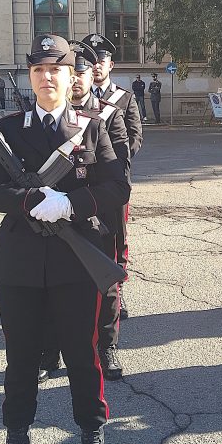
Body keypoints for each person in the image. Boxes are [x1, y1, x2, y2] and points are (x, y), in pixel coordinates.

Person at [0, 34, 129, 444]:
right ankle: (16, 439)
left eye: (56, 69)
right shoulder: (10, 129)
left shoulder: (93, 127)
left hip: (75, 260)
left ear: (71, 76)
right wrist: (30, 201)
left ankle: (92, 435)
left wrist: (70, 204)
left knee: (83, 355)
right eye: (39, 70)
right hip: (20, 262)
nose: (47, 77)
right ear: (30, 77)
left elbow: (116, 187)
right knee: (21, 357)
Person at [68, 41, 131, 380]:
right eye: (71, 72)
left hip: (101, 210)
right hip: (62, 213)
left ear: (91, 75)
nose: (76, 79)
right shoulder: (53, 115)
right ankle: (52, 348)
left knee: (105, 282)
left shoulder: (109, 113)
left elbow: (119, 165)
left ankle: (107, 345)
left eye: (81, 72)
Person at [85, 33, 142, 320]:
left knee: (117, 238)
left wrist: (112, 166)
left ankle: (117, 291)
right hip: (84, 182)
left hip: (114, 181)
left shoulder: (124, 98)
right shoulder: (76, 97)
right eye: (92, 60)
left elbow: (134, 138)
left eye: (102, 60)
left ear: (111, 65)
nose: (97, 65)